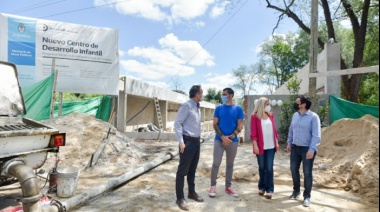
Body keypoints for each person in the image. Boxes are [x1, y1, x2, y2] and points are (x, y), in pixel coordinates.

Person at [209, 88, 244, 198]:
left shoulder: (238, 109)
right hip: (219, 140)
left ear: (231, 95)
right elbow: (215, 124)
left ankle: (228, 186)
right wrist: (223, 137)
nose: (223, 96)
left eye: (225, 94)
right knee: (216, 163)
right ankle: (213, 186)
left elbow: (240, 125)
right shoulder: (218, 108)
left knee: (230, 165)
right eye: (222, 94)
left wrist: (231, 137)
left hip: (232, 141)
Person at [287, 95, 321, 207]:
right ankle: (296, 191)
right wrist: (289, 143)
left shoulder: (313, 117)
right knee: (293, 169)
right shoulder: (295, 115)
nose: (296, 104)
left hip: (307, 149)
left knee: (307, 173)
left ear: (304, 104)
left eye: (297, 102)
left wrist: (312, 150)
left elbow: (316, 135)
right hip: (295, 148)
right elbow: (291, 130)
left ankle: (307, 197)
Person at [174, 85, 204, 211]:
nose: (202, 95)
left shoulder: (197, 107)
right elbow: (177, 123)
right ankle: (180, 198)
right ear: (197, 94)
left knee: (192, 170)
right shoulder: (186, 106)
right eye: (201, 93)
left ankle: (191, 192)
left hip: (196, 142)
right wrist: (181, 141)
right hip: (187, 142)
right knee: (182, 171)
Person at [250, 97, 279, 199]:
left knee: (269, 168)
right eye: (267, 104)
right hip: (260, 146)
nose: (269, 106)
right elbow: (253, 133)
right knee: (262, 168)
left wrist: (276, 141)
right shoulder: (254, 117)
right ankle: (261, 187)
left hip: (271, 146)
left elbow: (274, 130)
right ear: (262, 105)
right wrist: (255, 145)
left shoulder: (271, 115)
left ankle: (270, 189)